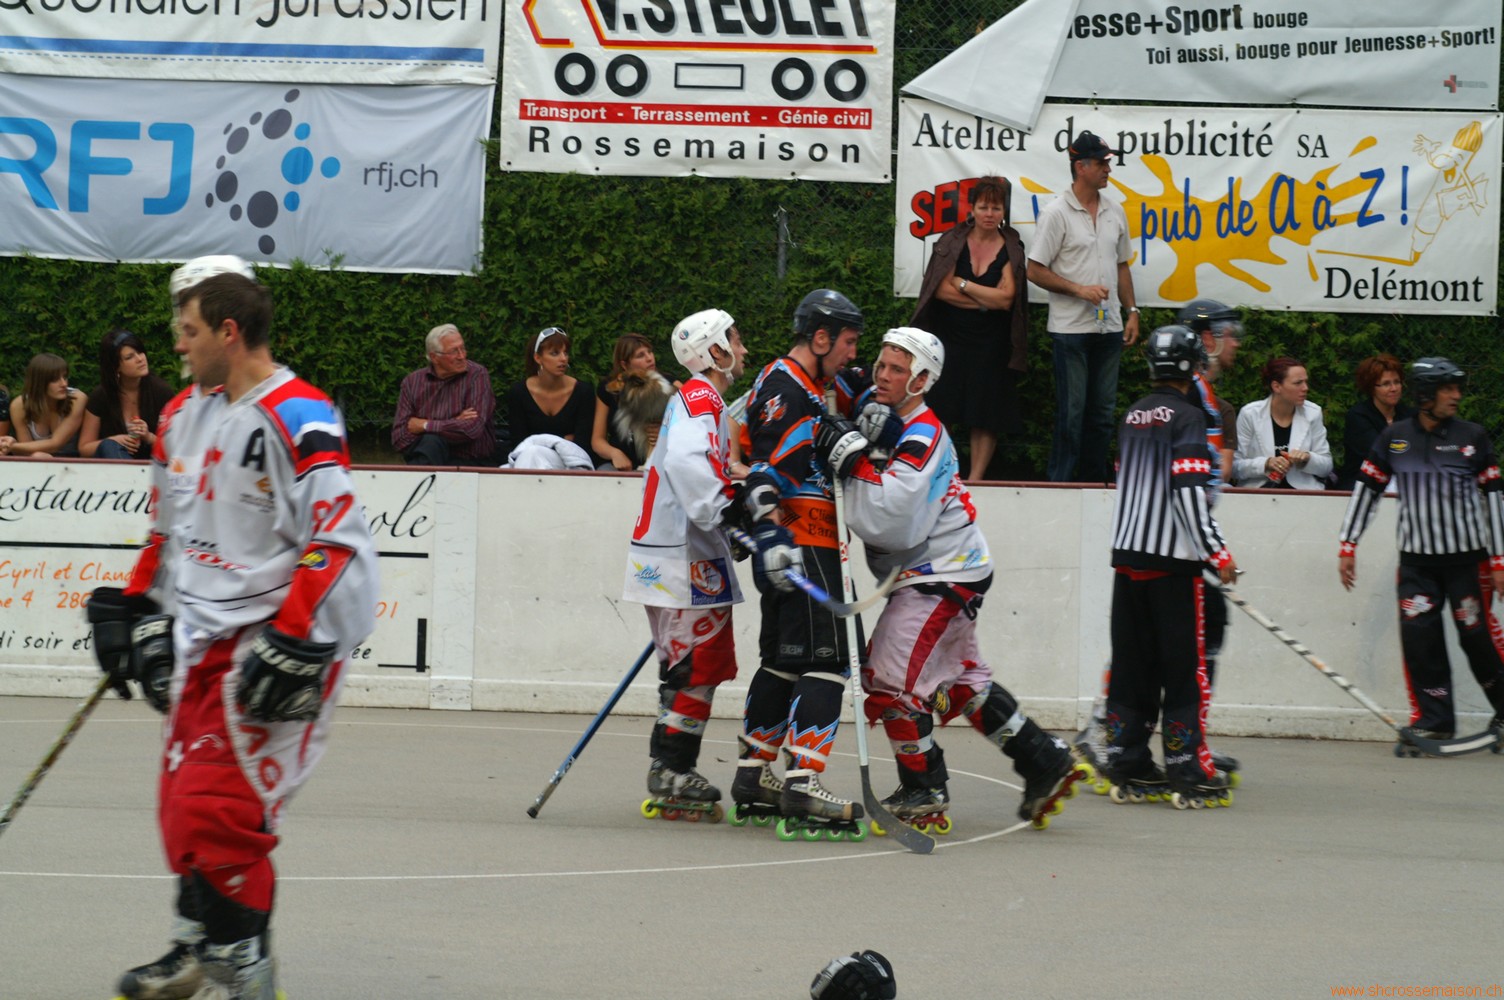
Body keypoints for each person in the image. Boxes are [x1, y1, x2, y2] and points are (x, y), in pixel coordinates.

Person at [85, 264, 379, 1000]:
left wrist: (296, 636)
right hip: (201, 636)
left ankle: (245, 966)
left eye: (186, 330)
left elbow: (334, 539)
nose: (175, 345)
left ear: (228, 330)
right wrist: (136, 609)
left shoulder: (300, 412)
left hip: (278, 640)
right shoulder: (180, 417)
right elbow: (168, 528)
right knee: (180, 805)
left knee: (219, 809)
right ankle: (196, 948)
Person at [835, 327, 1084, 830]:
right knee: (960, 680)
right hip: (950, 569)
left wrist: (849, 457)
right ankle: (1044, 760)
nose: (883, 376)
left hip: (940, 575)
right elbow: (843, 390)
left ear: (922, 381)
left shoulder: (921, 434)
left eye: (897, 369)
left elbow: (889, 520)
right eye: (881, 365)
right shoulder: (893, 415)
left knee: (888, 679)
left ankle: (923, 788)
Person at [732, 288, 868, 834]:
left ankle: (753, 773)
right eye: (849, 342)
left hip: (793, 545)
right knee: (830, 659)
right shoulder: (789, 389)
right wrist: (767, 530)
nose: (853, 354)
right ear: (821, 337)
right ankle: (803, 781)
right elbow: (764, 468)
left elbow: (742, 441)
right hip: (803, 542)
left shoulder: (797, 382)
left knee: (783, 660)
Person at [1103, 325, 1238, 809]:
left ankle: (1128, 761)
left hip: (1127, 560)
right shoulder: (1189, 418)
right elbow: (1189, 492)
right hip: (1173, 567)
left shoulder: (1133, 414)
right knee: (1184, 671)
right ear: (1192, 365)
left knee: (1132, 667)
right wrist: (1218, 552)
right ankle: (1187, 768)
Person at [1338, 357, 1504, 751]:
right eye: (1448, 389)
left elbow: (1494, 500)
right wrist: (1348, 544)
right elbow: (1367, 489)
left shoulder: (1473, 436)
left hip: (1466, 563)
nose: (1456, 396)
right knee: (1420, 640)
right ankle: (1435, 721)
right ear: (1426, 394)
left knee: (1476, 637)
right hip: (1417, 565)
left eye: (1457, 388)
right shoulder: (1394, 437)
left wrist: (1499, 561)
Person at [622, 309, 749, 815]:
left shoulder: (696, 400)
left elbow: (694, 464)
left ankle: (669, 765)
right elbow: (685, 463)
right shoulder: (701, 396)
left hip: (670, 553)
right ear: (715, 351)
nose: (743, 349)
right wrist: (726, 511)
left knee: (687, 664)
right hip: (683, 556)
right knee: (698, 664)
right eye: (735, 340)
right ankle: (672, 769)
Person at [1027, 130, 1141, 483]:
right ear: (1081, 167)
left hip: (1110, 328)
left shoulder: (1114, 210)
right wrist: (1078, 290)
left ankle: (1094, 486)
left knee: (1103, 415)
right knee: (1071, 415)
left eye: (1108, 162)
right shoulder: (1055, 213)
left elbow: (1122, 265)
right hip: (1070, 331)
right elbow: (1034, 270)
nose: (1109, 169)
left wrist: (1132, 312)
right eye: (1103, 163)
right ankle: (1059, 487)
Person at [909, 175, 1028, 481]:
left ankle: (976, 481)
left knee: (985, 414)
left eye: (996, 208)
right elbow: (940, 290)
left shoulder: (1011, 247)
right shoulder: (952, 242)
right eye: (984, 207)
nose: (990, 214)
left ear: (1003, 212)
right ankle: (944, 475)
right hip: (949, 338)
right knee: (943, 407)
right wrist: (986, 300)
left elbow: (1007, 299)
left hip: (992, 342)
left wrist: (963, 284)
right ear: (972, 208)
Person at [390, 323, 497, 466]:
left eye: (463, 348)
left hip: (468, 462)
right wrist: (454, 422)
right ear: (434, 357)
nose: (462, 356)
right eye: (454, 351)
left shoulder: (477, 375)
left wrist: (426, 425)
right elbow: (399, 438)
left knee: (431, 442)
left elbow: (472, 429)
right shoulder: (412, 382)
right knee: (431, 443)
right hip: (427, 456)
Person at [503, 326, 599, 467]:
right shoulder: (519, 392)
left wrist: (539, 442)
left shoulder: (583, 392)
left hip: (571, 465)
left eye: (565, 353)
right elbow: (519, 443)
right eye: (555, 353)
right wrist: (562, 440)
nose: (563, 359)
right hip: (529, 461)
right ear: (538, 358)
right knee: (533, 453)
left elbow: (582, 444)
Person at [1233, 356, 1332, 490]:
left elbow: (1326, 466)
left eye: (1305, 382)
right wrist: (1266, 464)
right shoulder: (1250, 414)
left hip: (1302, 493)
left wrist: (1307, 459)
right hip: (1259, 493)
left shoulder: (1313, 413)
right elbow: (1234, 466)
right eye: (1298, 383)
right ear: (1277, 386)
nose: (1305, 388)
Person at [79, 328, 177, 459]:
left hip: (153, 466)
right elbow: (84, 448)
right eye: (130, 357)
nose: (140, 359)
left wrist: (148, 437)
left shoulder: (161, 392)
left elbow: (177, 447)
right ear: (116, 366)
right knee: (109, 446)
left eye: (140, 352)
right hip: (114, 465)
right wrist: (114, 441)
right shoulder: (101, 396)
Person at [592, 333, 674, 471]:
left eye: (649, 352)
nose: (649, 358)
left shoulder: (670, 384)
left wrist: (665, 431)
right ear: (624, 364)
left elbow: (687, 424)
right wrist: (615, 454)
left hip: (658, 465)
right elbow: (597, 441)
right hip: (617, 465)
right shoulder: (608, 388)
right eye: (640, 355)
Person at [1337, 354, 1414, 491]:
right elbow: (1379, 453)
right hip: (1363, 483)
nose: (1394, 388)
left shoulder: (1409, 415)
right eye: (1386, 384)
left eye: (1397, 382)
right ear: (1371, 388)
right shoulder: (1358, 416)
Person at [2, 352, 85, 457]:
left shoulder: (77, 399)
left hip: (74, 461)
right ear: (39, 382)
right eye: (55, 379)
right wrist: (11, 445)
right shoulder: (19, 406)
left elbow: (56, 444)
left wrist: (13, 446)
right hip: (38, 460)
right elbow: (26, 452)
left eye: (65, 377)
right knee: (38, 456)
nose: (64, 384)